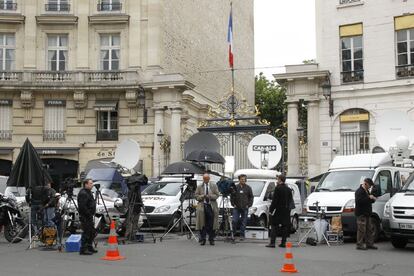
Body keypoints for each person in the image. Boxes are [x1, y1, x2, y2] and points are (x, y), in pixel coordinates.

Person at [266, 174, 293, 248]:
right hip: (286, 210)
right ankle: (283, 243)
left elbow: (275, 201)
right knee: (284, 226)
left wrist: (271, 210)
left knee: (274, 225)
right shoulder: (288, 189)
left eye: (277, 179)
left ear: (280, 180)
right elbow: (290, 200)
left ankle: (272, 243)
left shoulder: (278, 188)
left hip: (278, 210)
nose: (277, 180)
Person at [195, 173, 219, 246]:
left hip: (211, 206)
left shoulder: (214, 186)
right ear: (203, 179)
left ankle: (211, 239)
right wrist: (202, 196)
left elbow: (217, 195)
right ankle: (203, 239)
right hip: (202, 206)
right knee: (203, 224)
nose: (206, 180)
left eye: (207, 179)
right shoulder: (199, 186)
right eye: (204, 179)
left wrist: (210, 196)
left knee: (211, 223)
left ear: (209, 179)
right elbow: (196, 196)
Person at [355, 178, 377, 250]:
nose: (370, 187)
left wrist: (373, 198)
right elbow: (359, 201)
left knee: (369, 229)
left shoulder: (366, 191)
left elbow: (368, 200)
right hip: (361, 214)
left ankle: (369, 244)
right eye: (369, 185)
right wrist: (369, 198)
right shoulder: (359, 191)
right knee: (361, 230)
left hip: (367, 213)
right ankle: (359, 244)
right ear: (366, 184)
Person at [231, 174, 253, 241]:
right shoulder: (235, 187)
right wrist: (233, 204)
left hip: (245, 207)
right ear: (239, 180)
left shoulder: (248, 188)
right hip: (236, 207)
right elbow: (232, 196)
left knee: (244, 222)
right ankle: (233, 234)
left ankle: (242, 235)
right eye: (242, 179)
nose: (243, 180)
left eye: (244, 179)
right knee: (234, 221)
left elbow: (251, 197)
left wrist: (249, 205)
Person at [77, 178, 97, 255]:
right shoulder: (83, 193)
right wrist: (88, 213)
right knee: (86, 232)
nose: (92, 185)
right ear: (86, 184)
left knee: (91, 232)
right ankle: (83, 249)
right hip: (85, 216)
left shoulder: (88, 192)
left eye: (92, 183)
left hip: (89, 215)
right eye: (90, 183)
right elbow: (82, 206)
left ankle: (89, 247)